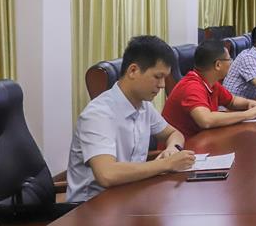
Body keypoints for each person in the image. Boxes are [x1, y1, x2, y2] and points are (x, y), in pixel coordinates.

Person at [66, 36, 196, 202]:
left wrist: (173, 149)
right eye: (158, 76)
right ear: (133, 71)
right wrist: (167, 164)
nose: (162, 85)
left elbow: (174, 133)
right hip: (93, 206)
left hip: (130, 194)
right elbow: (107, 174)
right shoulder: (98, 114)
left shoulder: (144, 106)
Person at [162, 40, 256, 138]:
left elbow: (232, 101)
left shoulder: (210, 82)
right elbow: (206, 120)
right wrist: (247, 114)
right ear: (218, 65)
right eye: (229, 59)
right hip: (180, 148)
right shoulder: (192, 86)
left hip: (202, 140)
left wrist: (249, 103)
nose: (231, 62)